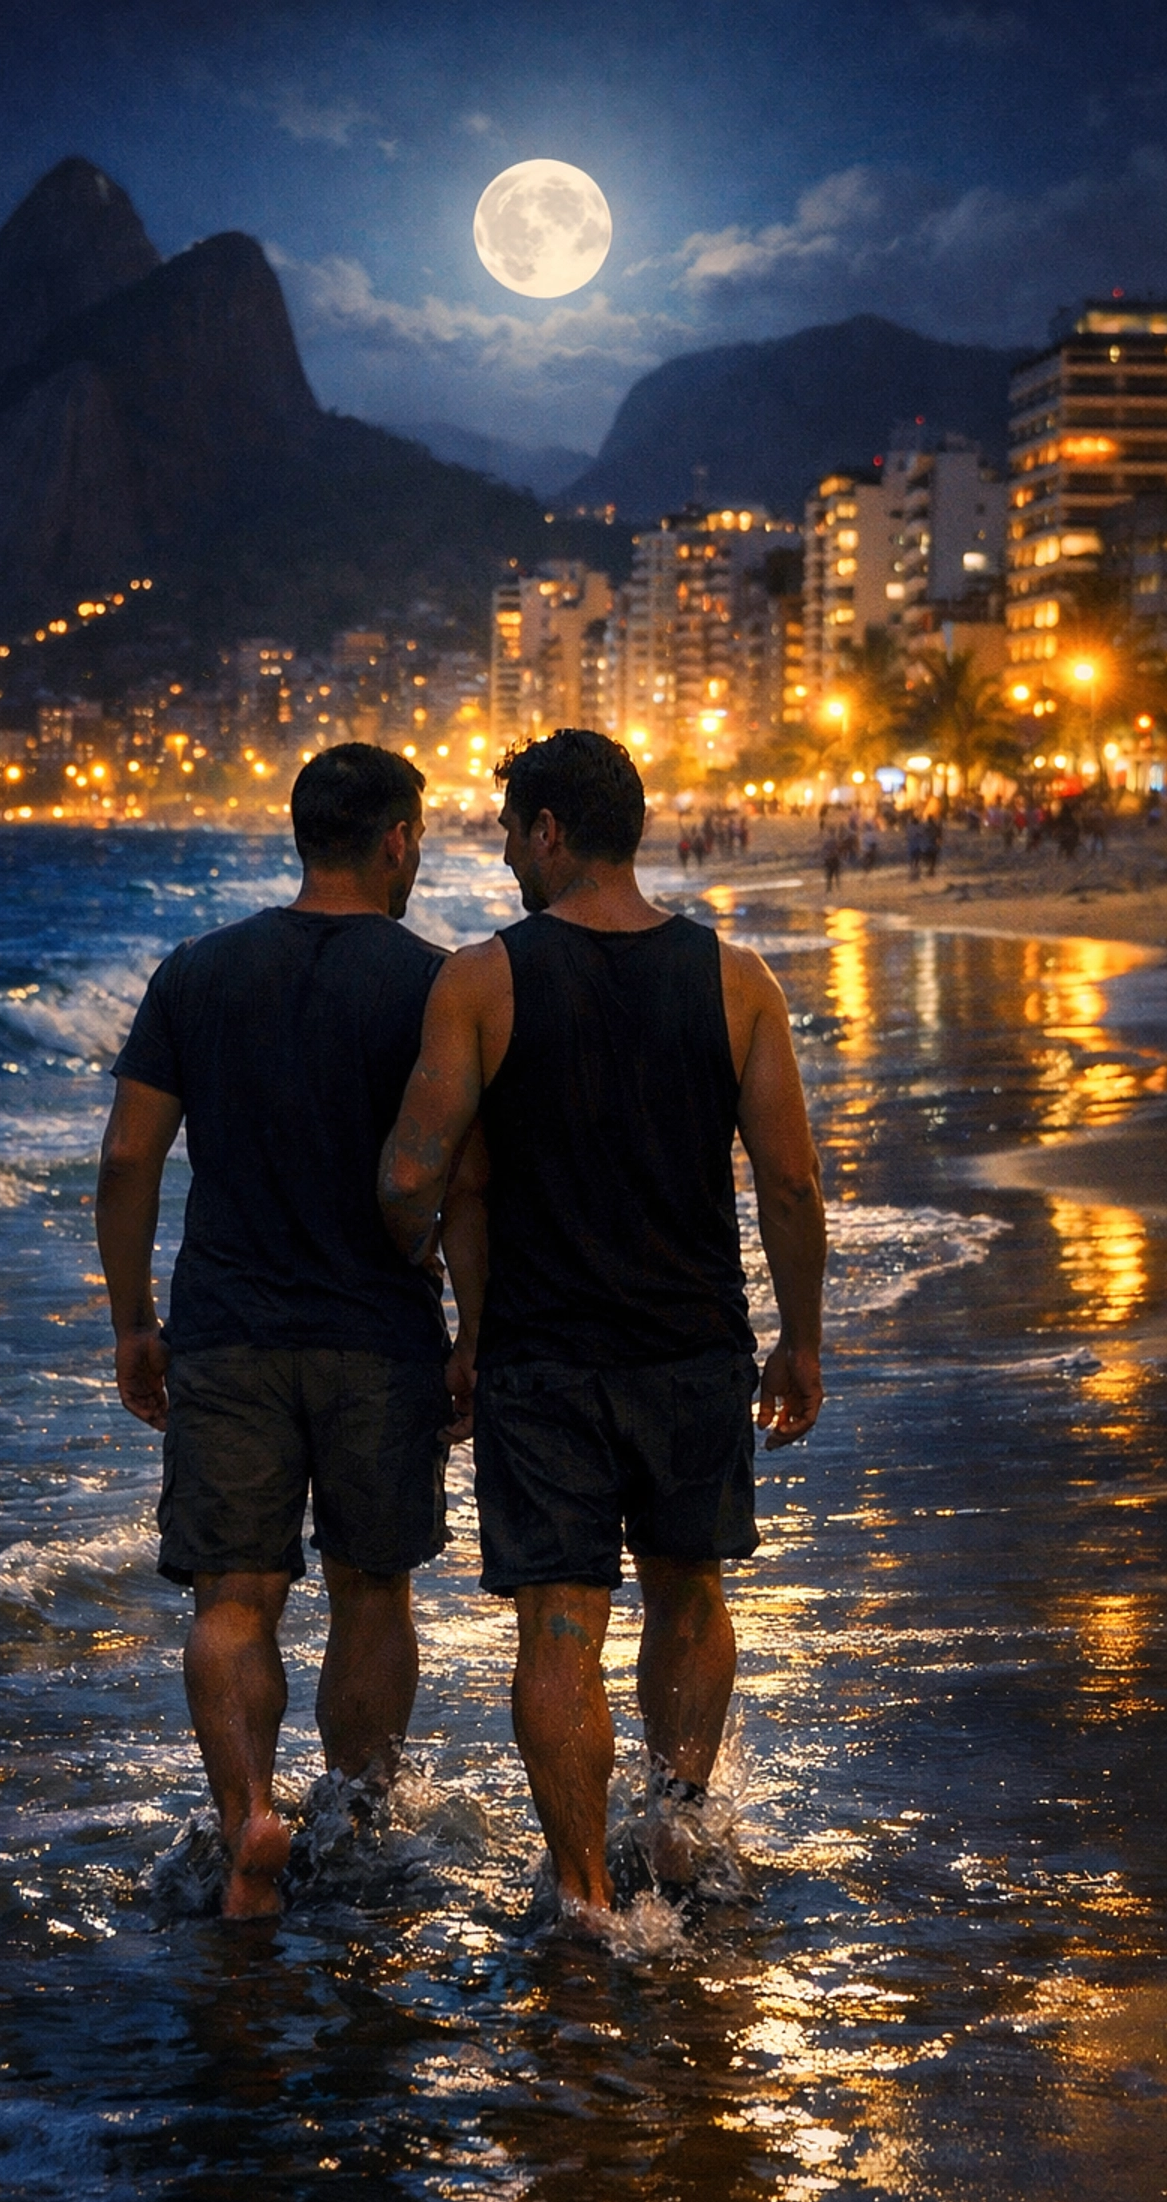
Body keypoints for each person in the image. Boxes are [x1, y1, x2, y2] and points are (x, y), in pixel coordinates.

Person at [379, 729, 825, 1926]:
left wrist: (449, 1315)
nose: (511, 856)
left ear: (550, 832)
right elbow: (789, 1183)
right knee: (690, 1592)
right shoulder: (737, 982)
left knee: (562, 1624)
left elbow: (420, 1176)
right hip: (692, 1349)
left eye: (515, 830)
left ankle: (583, 1895)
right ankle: (676, 1840)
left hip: (545, 1357)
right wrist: (802, 1339)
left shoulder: (480, 981)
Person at [96, 744, 481, 1919]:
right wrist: (478, 1332)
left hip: (228, 1331)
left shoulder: (196, 973)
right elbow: (462, 1183)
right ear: (399, 841)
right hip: (379, 1334)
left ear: (300, 832)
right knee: (373, 1590)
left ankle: (245, 1822)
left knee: (232, 1596)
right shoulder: (439, 985)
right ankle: (354, 1820)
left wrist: (133, 1324)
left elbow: (125, 1160)